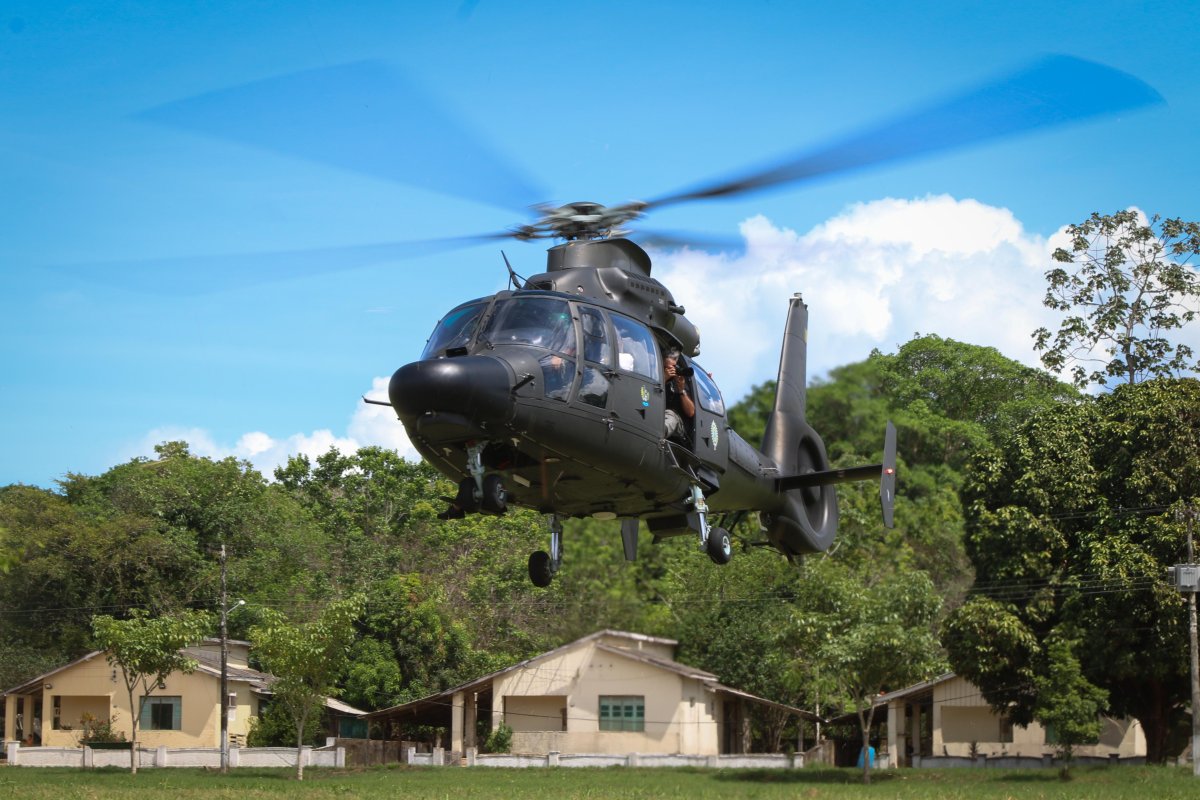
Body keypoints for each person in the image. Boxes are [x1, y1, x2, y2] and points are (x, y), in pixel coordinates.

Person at [663, 348, 695, 443]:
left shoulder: (681, 381)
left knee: (671, 416)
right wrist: (663, 378)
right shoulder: (656, 375)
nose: (673, 369)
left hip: (677, 421)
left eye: (674, 366)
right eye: (668, 367)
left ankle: (658, 433)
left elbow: (691, 412)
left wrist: (681, 390)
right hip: (658, 412)